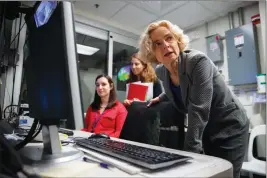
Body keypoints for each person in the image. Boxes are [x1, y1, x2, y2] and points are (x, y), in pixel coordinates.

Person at [138, 20, 249, 178]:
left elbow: (199, 109)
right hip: (208, 129)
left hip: (230, 125)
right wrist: (161, 98)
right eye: (157, 43)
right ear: (152, 52)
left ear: (177, 40)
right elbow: (178, 89)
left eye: (169, 38)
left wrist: (189, 156)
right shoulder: (161, 71)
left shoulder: (197, 62)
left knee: (224, 174)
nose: (165, 45)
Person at [122, 52, 163, 145]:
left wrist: (141, 103)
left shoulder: (154, 81)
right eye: (131, 64)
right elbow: (129, 102)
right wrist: (126, 102)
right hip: (132, 122)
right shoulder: (130, 81)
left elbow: (160, 103)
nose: (133, 67)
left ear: (144, 65)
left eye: (136, 64)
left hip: (148, 124)